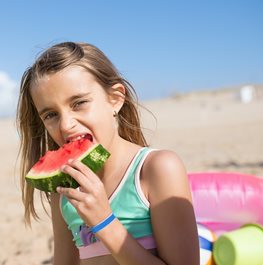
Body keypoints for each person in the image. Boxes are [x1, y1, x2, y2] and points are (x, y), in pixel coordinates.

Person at [16, 41, 199, 265]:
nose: (66, 125)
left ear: (115, 99)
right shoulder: (63, 191)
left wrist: (104, 222)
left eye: (79, 103)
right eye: (51, 115)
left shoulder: (157, 169)